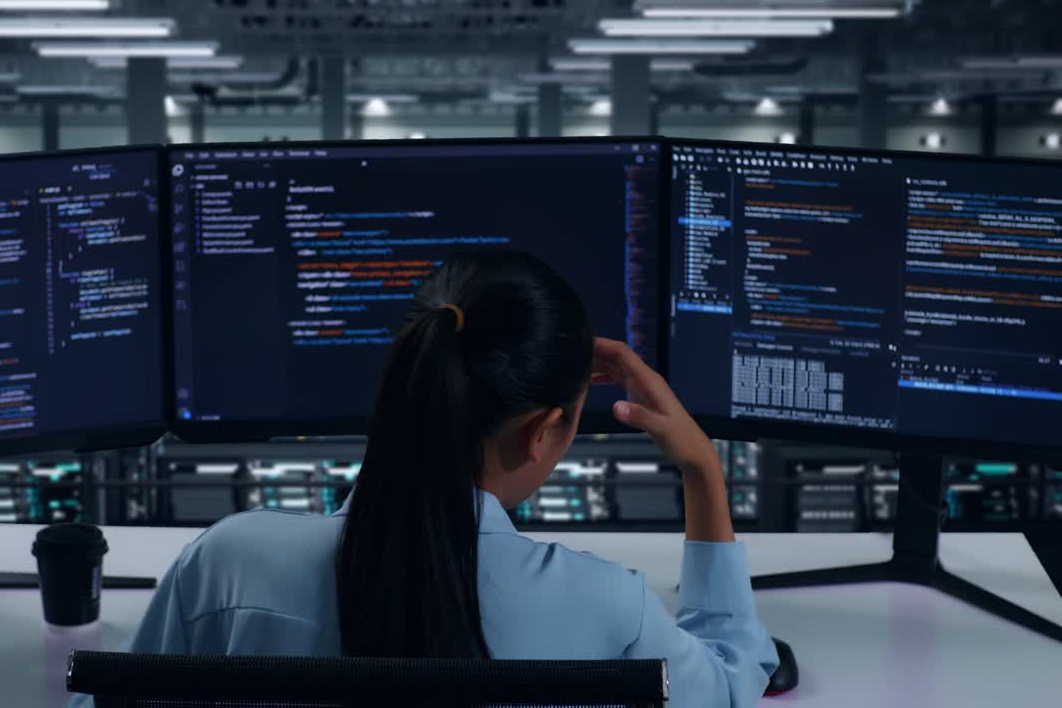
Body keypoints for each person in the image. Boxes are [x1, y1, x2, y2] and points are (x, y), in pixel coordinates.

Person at [68, 250, 777, 708]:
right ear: (540, 432)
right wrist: (702, 470)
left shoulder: (226, 564)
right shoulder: (609, 609)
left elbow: (106, 703)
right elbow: (730, 682)